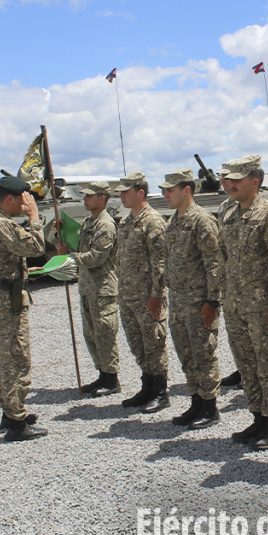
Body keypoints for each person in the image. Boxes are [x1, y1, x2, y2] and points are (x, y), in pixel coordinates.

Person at [220, 155, 268, 450]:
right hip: (236, 306)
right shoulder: (229, 213)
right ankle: (258, 417)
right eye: (229, 180)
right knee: (246, 364)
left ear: (255, 182)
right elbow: (225, 260)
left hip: (263, 308)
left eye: (237, 180)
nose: (230, 184)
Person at [0, 176, 48, 441]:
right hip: (6, 299)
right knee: (16, 357)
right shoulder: (1, 224)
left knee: (6, 355)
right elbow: (36, 246)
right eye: (22, 199)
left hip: (1, 294)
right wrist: (34, 216)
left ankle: (10, 410)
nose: (25, 204)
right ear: (9, 199)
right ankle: (16, 422)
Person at [161, 168, 225, 429]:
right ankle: (196, 402)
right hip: (179, 301)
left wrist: (213, 302)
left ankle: (210, 407)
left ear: (186, 190)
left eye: (170, 190)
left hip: (199, 302)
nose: (165, 195)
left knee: (203, 354)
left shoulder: (202, 220)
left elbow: (214, 264)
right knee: (186, 354)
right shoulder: (173, 221)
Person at [56, 180, 120, 398]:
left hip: (103, 289)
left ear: (102, 198)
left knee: (104, 334)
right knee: (92, 334)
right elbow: (81, 247)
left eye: (89, 196)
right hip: (88, 288)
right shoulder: (88, 222)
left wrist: (69, 258)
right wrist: (63, 239)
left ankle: (111, 379)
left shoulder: (105, 225)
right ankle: (102, 374)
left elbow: (96, 257)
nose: (85, 199)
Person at [114, 172, 170, 413]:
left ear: (140, 193)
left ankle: (160, 391)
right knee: (137, 344)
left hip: (148, 296)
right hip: (128, 295)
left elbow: (160, 263)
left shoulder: (153, 221)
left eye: (125, 192)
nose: (121, 196)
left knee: (154, 343)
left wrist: (157, 295)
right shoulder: (126, 222)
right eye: (120, 193)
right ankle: (147, 387)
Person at [217, 159, 244, 390]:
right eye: (223, 178)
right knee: (236, 334)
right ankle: (242, 369)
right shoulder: (225, 207)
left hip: (251, 287)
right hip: (231, 285)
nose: (226, 183)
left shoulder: (254, 207)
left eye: (230, 178)